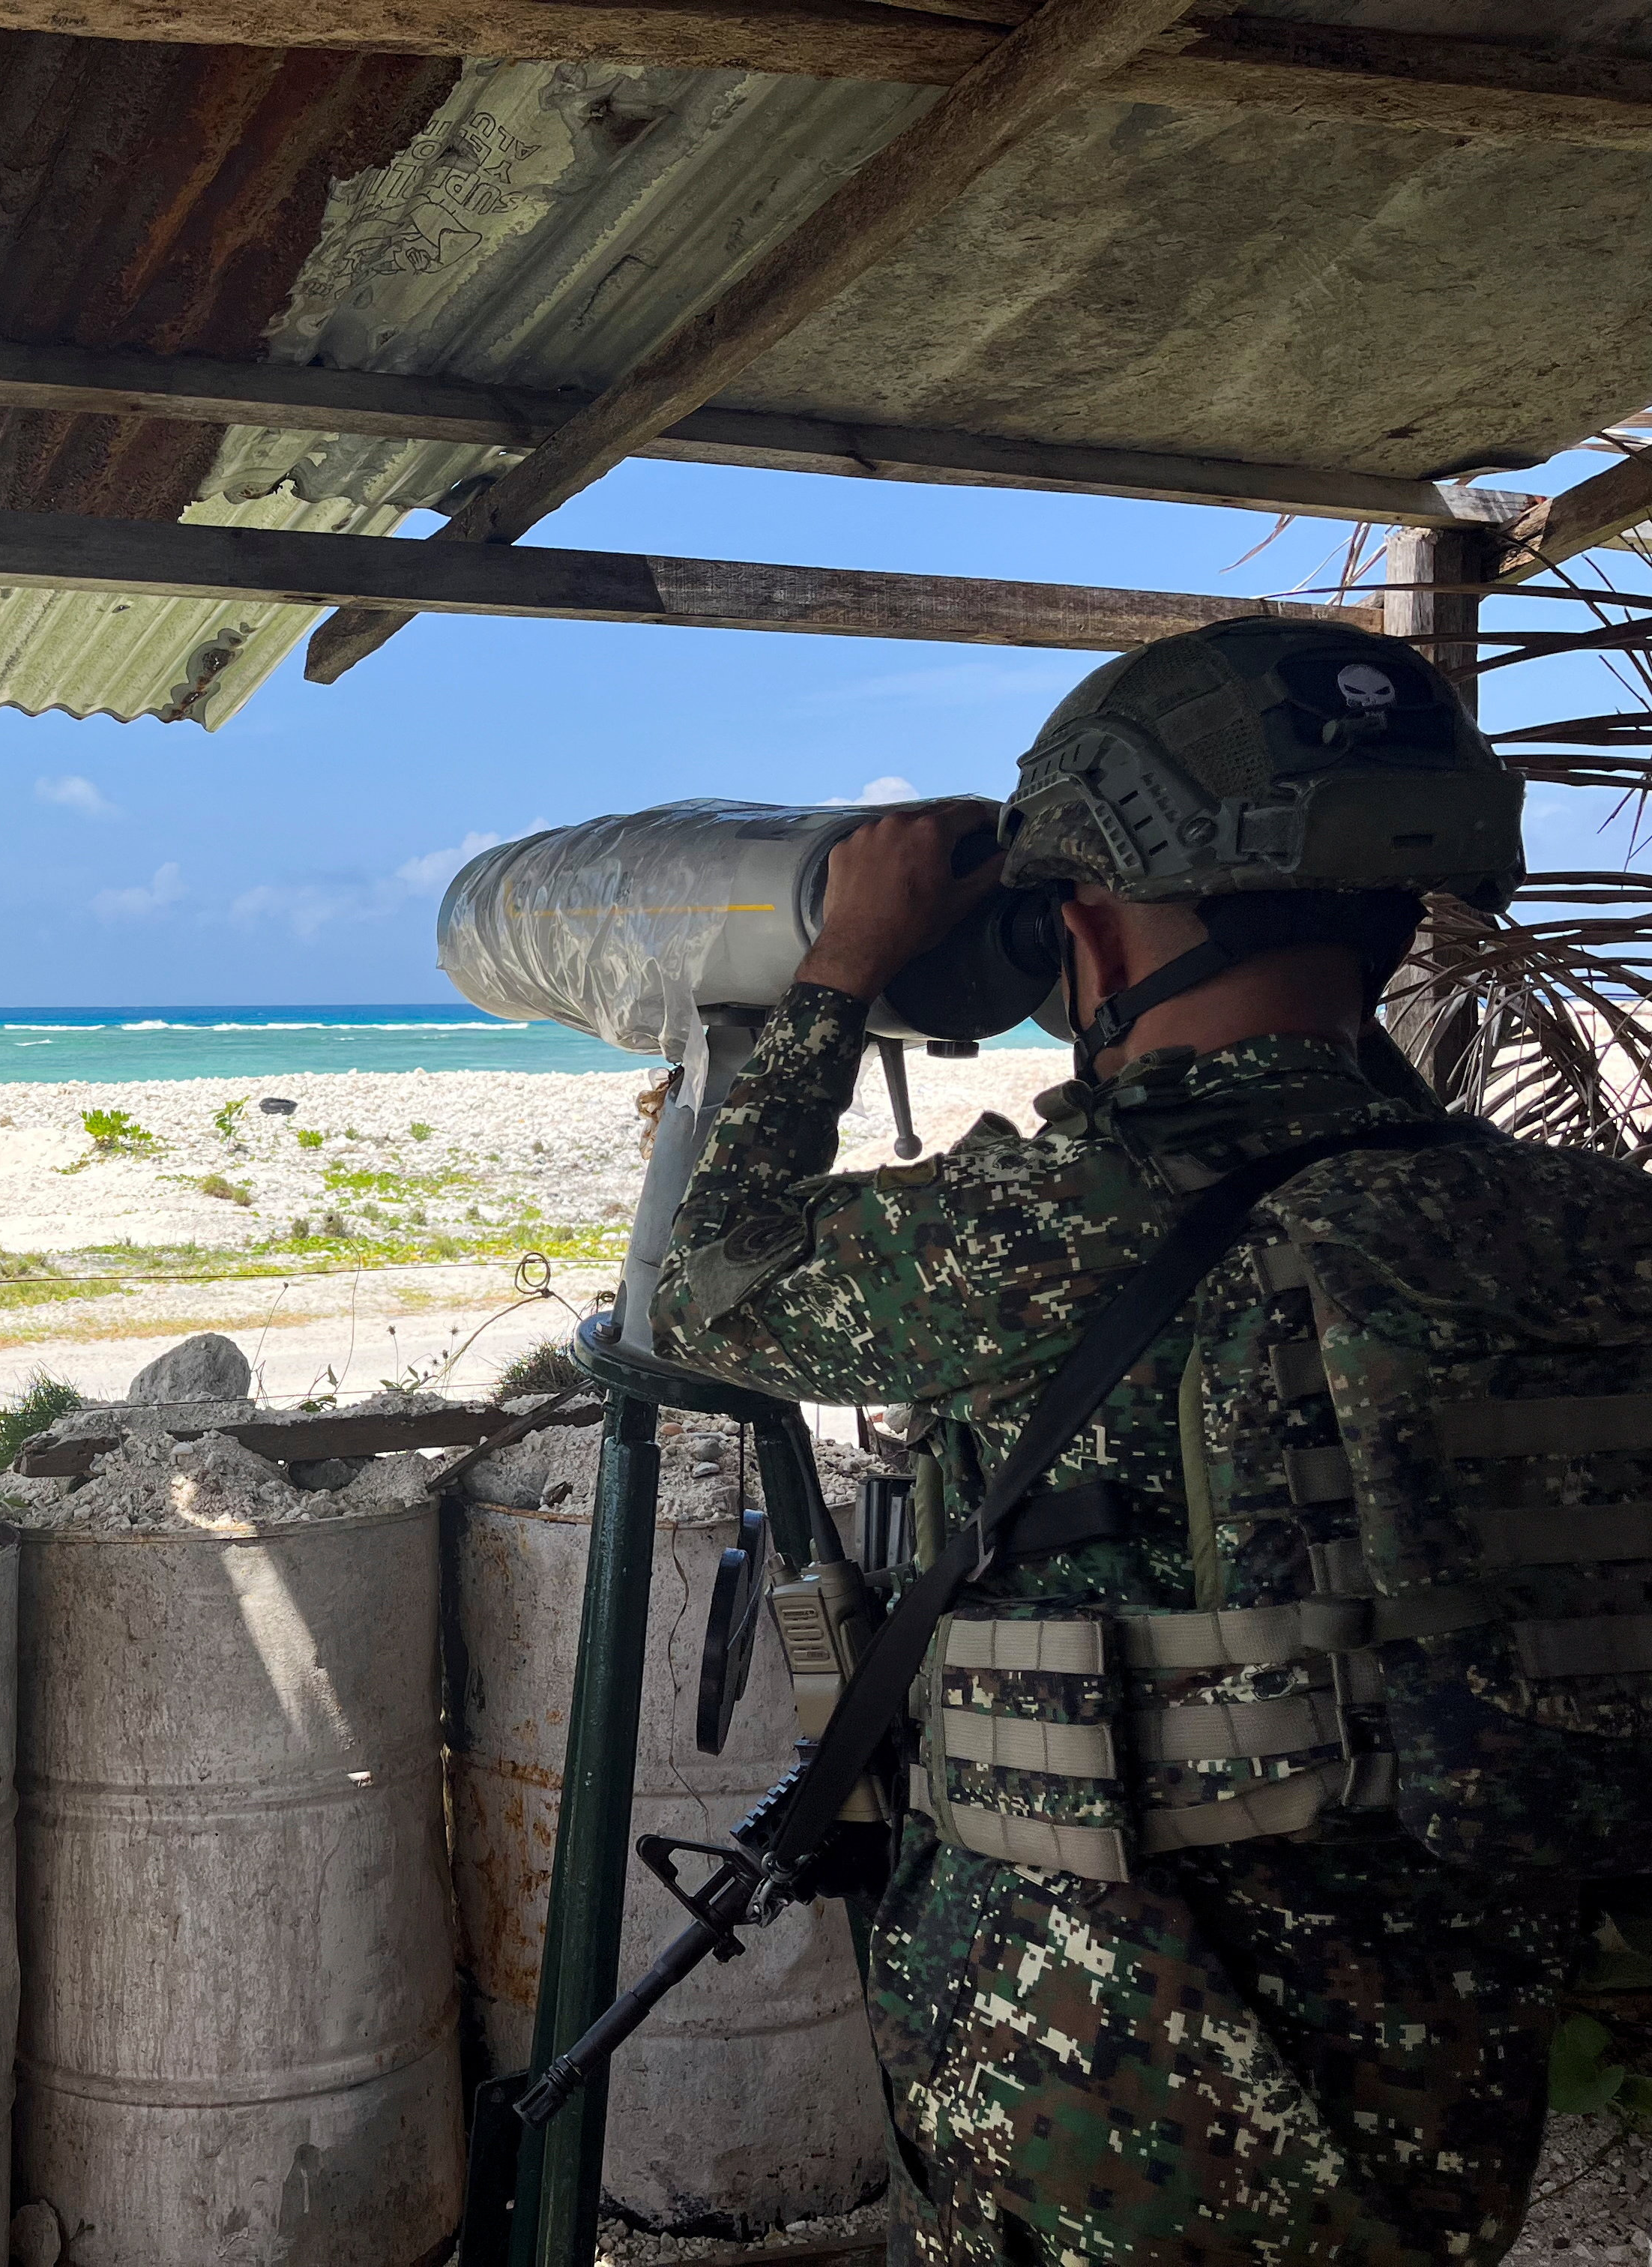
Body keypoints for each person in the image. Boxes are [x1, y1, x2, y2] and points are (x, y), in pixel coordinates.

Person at [651, 619, 1588, 2267]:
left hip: (1111, 2054)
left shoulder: (1061, 1221)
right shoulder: (1562, 1218)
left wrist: (838, 974)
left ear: (1077, 930)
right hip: (1453, 2011)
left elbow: (710, 1299)